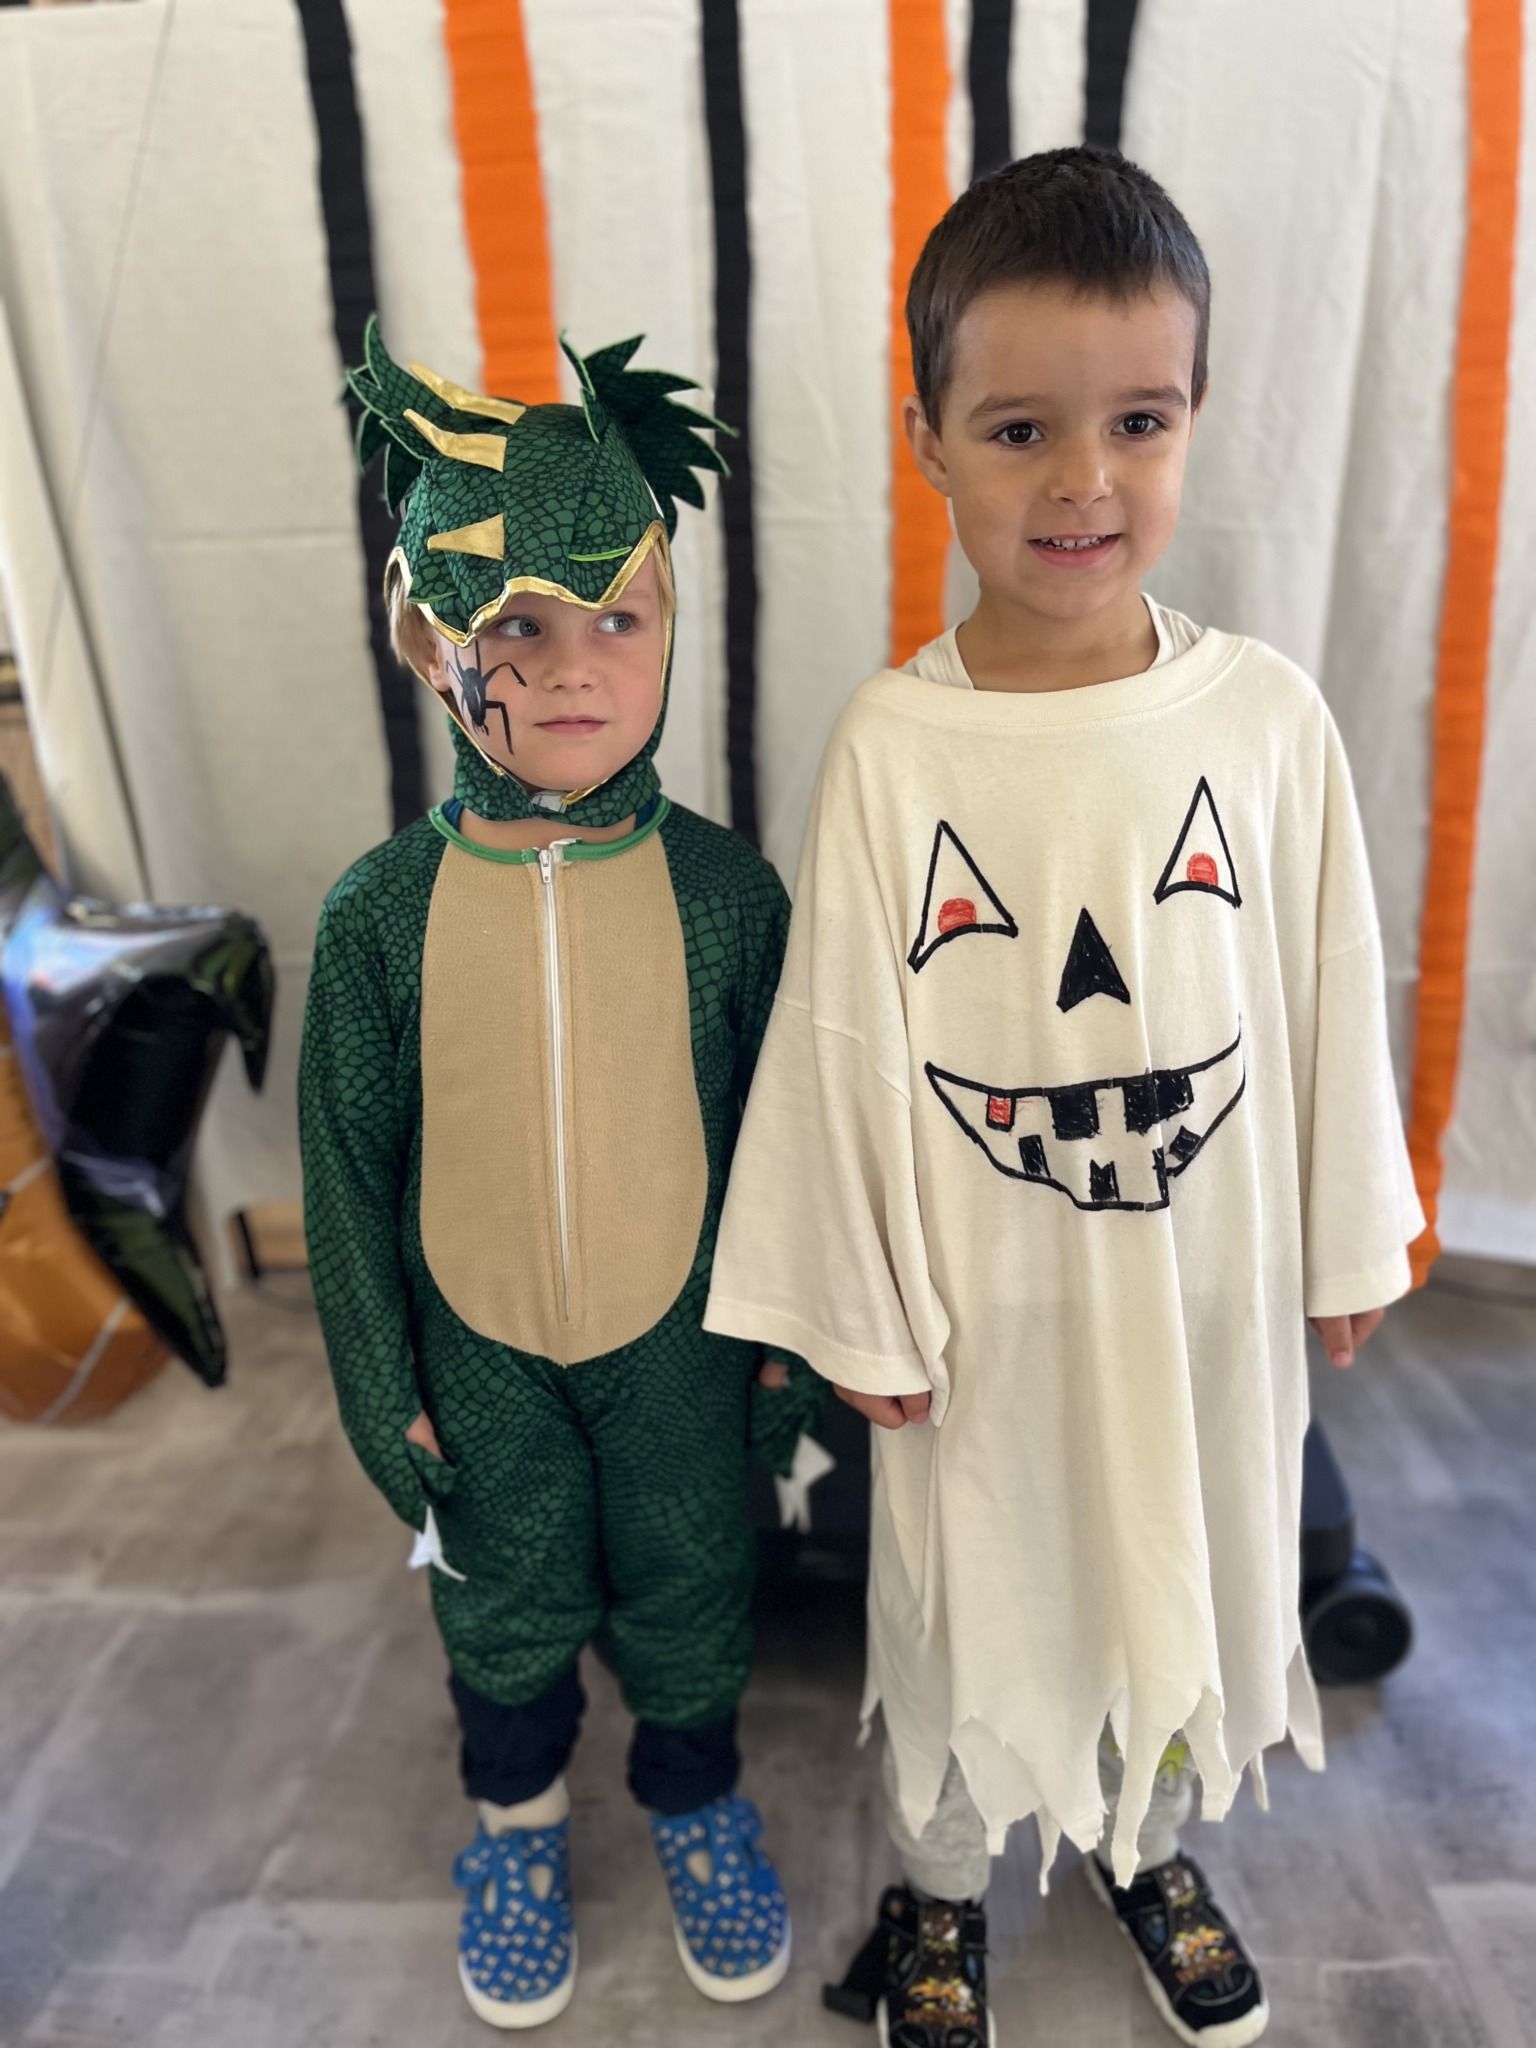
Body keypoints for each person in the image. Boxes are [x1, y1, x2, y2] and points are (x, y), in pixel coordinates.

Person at [705, 146, 1423, 2048]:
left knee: (1174, 1575)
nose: (1083, 480)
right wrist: (854, 1303)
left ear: (1196, 416)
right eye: (1021, 429)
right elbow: (845, 1036)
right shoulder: (895, 748)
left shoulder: (1264, 722)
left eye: (1137, 422)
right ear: (929, 441)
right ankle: (939, 1897)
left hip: (1198, 1296)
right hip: (983, 1313)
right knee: (964, 1612)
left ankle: (1150, 1848)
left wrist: (1346, 1230)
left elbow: (1327, 979)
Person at [300, 319, 818, 2028]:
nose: (576, 666)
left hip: (685, 1345)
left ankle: (696, 1803)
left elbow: (789, 1136)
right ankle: (515, 1825)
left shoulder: (732, 897)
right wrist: (382, 1383)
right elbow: (343, 1169)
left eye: (618, 617)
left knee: (691, 1584)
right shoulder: (377, 917)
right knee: (502, 1599)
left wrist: (784, 1348)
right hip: (477, 1350)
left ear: (671, 627)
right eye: (518, 623)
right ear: (423, 632)